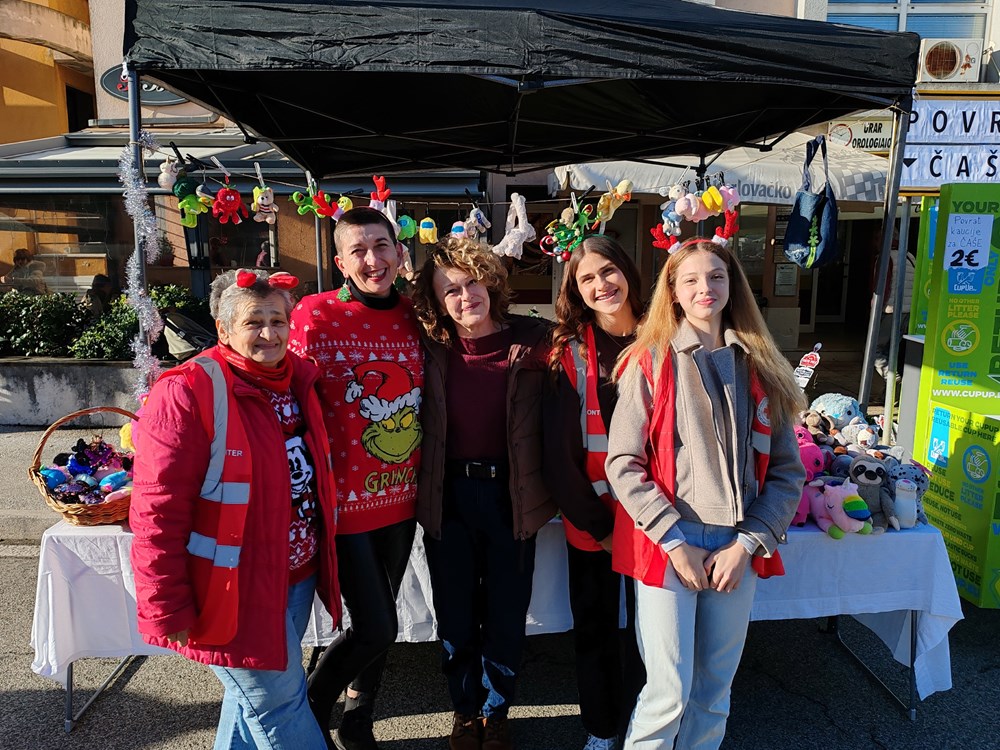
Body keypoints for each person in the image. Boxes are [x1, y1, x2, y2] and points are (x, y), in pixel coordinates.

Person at [606, 238, 806, 750]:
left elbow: (788, 472)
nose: (705, 288)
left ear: (732, 284)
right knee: (668, 692)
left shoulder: (762, 365)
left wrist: (748, 543)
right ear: (672, 291)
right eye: (690, 279)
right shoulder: (649, 361)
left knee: (714, 692)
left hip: (737, 545)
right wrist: (675, 541)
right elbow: (622, 463)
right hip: (669, 544)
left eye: (716, 276)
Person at [130, 268, 340, 750]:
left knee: (250, 706)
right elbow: (157, 511)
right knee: (281, 708)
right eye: (253, 322)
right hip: (229, 589)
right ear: (223, 330)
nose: (269, 333)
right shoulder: (188, 390)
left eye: (277, 320)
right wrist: (165, 605)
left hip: (293, 576)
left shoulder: (297, 378)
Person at [411, 238, 556, 750]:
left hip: (511, 496)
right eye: (450, 290)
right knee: (454, 614)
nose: (464, 295)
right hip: (447, 495)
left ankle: (496, 712)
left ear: (491, 284)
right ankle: (465, 709)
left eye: (472, 282)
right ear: (436, 301)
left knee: (505, 613)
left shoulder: (535, 340)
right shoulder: (427, 347)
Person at [289, 207, 423, 750]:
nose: (373, 260)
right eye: (358, 251)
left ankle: (359, 717)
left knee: (380, 617)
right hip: (343, 503)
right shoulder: (314, 315)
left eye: (381, 246)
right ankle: (309, 714)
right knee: (376, 625)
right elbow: (283, 392)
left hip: (404, 499)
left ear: (399, 251)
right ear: (340, 261)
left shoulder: (418, 314)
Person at [543, 236, 646, 750]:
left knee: (657, 632)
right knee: (596, 627)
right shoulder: (569, 354)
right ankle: (602, 730)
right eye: (587, 278)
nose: (601, 284)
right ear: (575, 290)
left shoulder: (666, 336)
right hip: (595, 515)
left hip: (661, 514)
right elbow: (558, 456)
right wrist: (600, 528)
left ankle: (651, 725)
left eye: (608, 271)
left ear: (627, 271)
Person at [874, 251, 915, 379]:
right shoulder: (909, 256)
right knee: (892, 349)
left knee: (875, 349)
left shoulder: (886, 256)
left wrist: (877, 305)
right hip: (907, 310)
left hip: (891, 309)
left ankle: (892, 378)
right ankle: (889, 387)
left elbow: (883, 284)